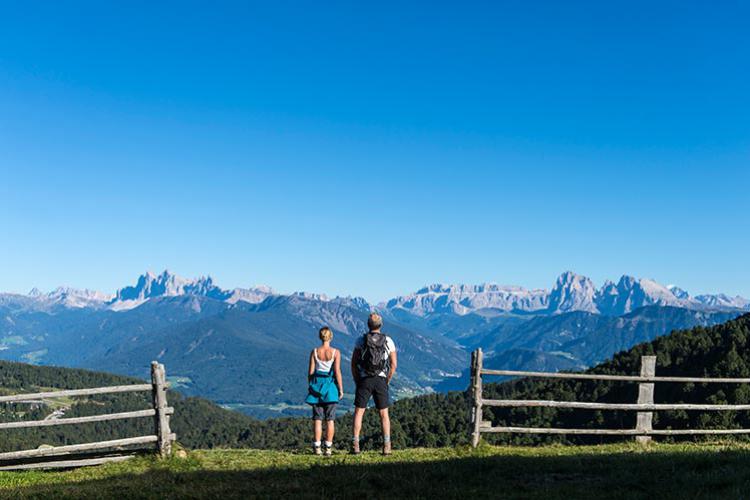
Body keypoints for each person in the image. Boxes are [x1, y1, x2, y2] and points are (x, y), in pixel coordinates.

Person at [351, 313, 397, 455]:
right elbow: (394, 364)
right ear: (381, 325)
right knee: (384, 414)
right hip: (381, 379)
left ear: (368, 325)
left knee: (359, 412)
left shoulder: (361, 340)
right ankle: (387, 446)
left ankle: (355, 445)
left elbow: (354, 363)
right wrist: (386, 380)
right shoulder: (388, 341)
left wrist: (358, 380)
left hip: (365, 379)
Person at [305, 326, 344, 456]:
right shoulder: (335, 352)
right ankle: (328, 447)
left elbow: (310, 372)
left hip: (317, 388)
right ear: (330, 337)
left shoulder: (315, 351)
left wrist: (311, 385)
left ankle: (317, 447)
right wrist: (340, 389)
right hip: (330, 388)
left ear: (320, 337)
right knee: (330, 419)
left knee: (317, 419)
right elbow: (337, 372)